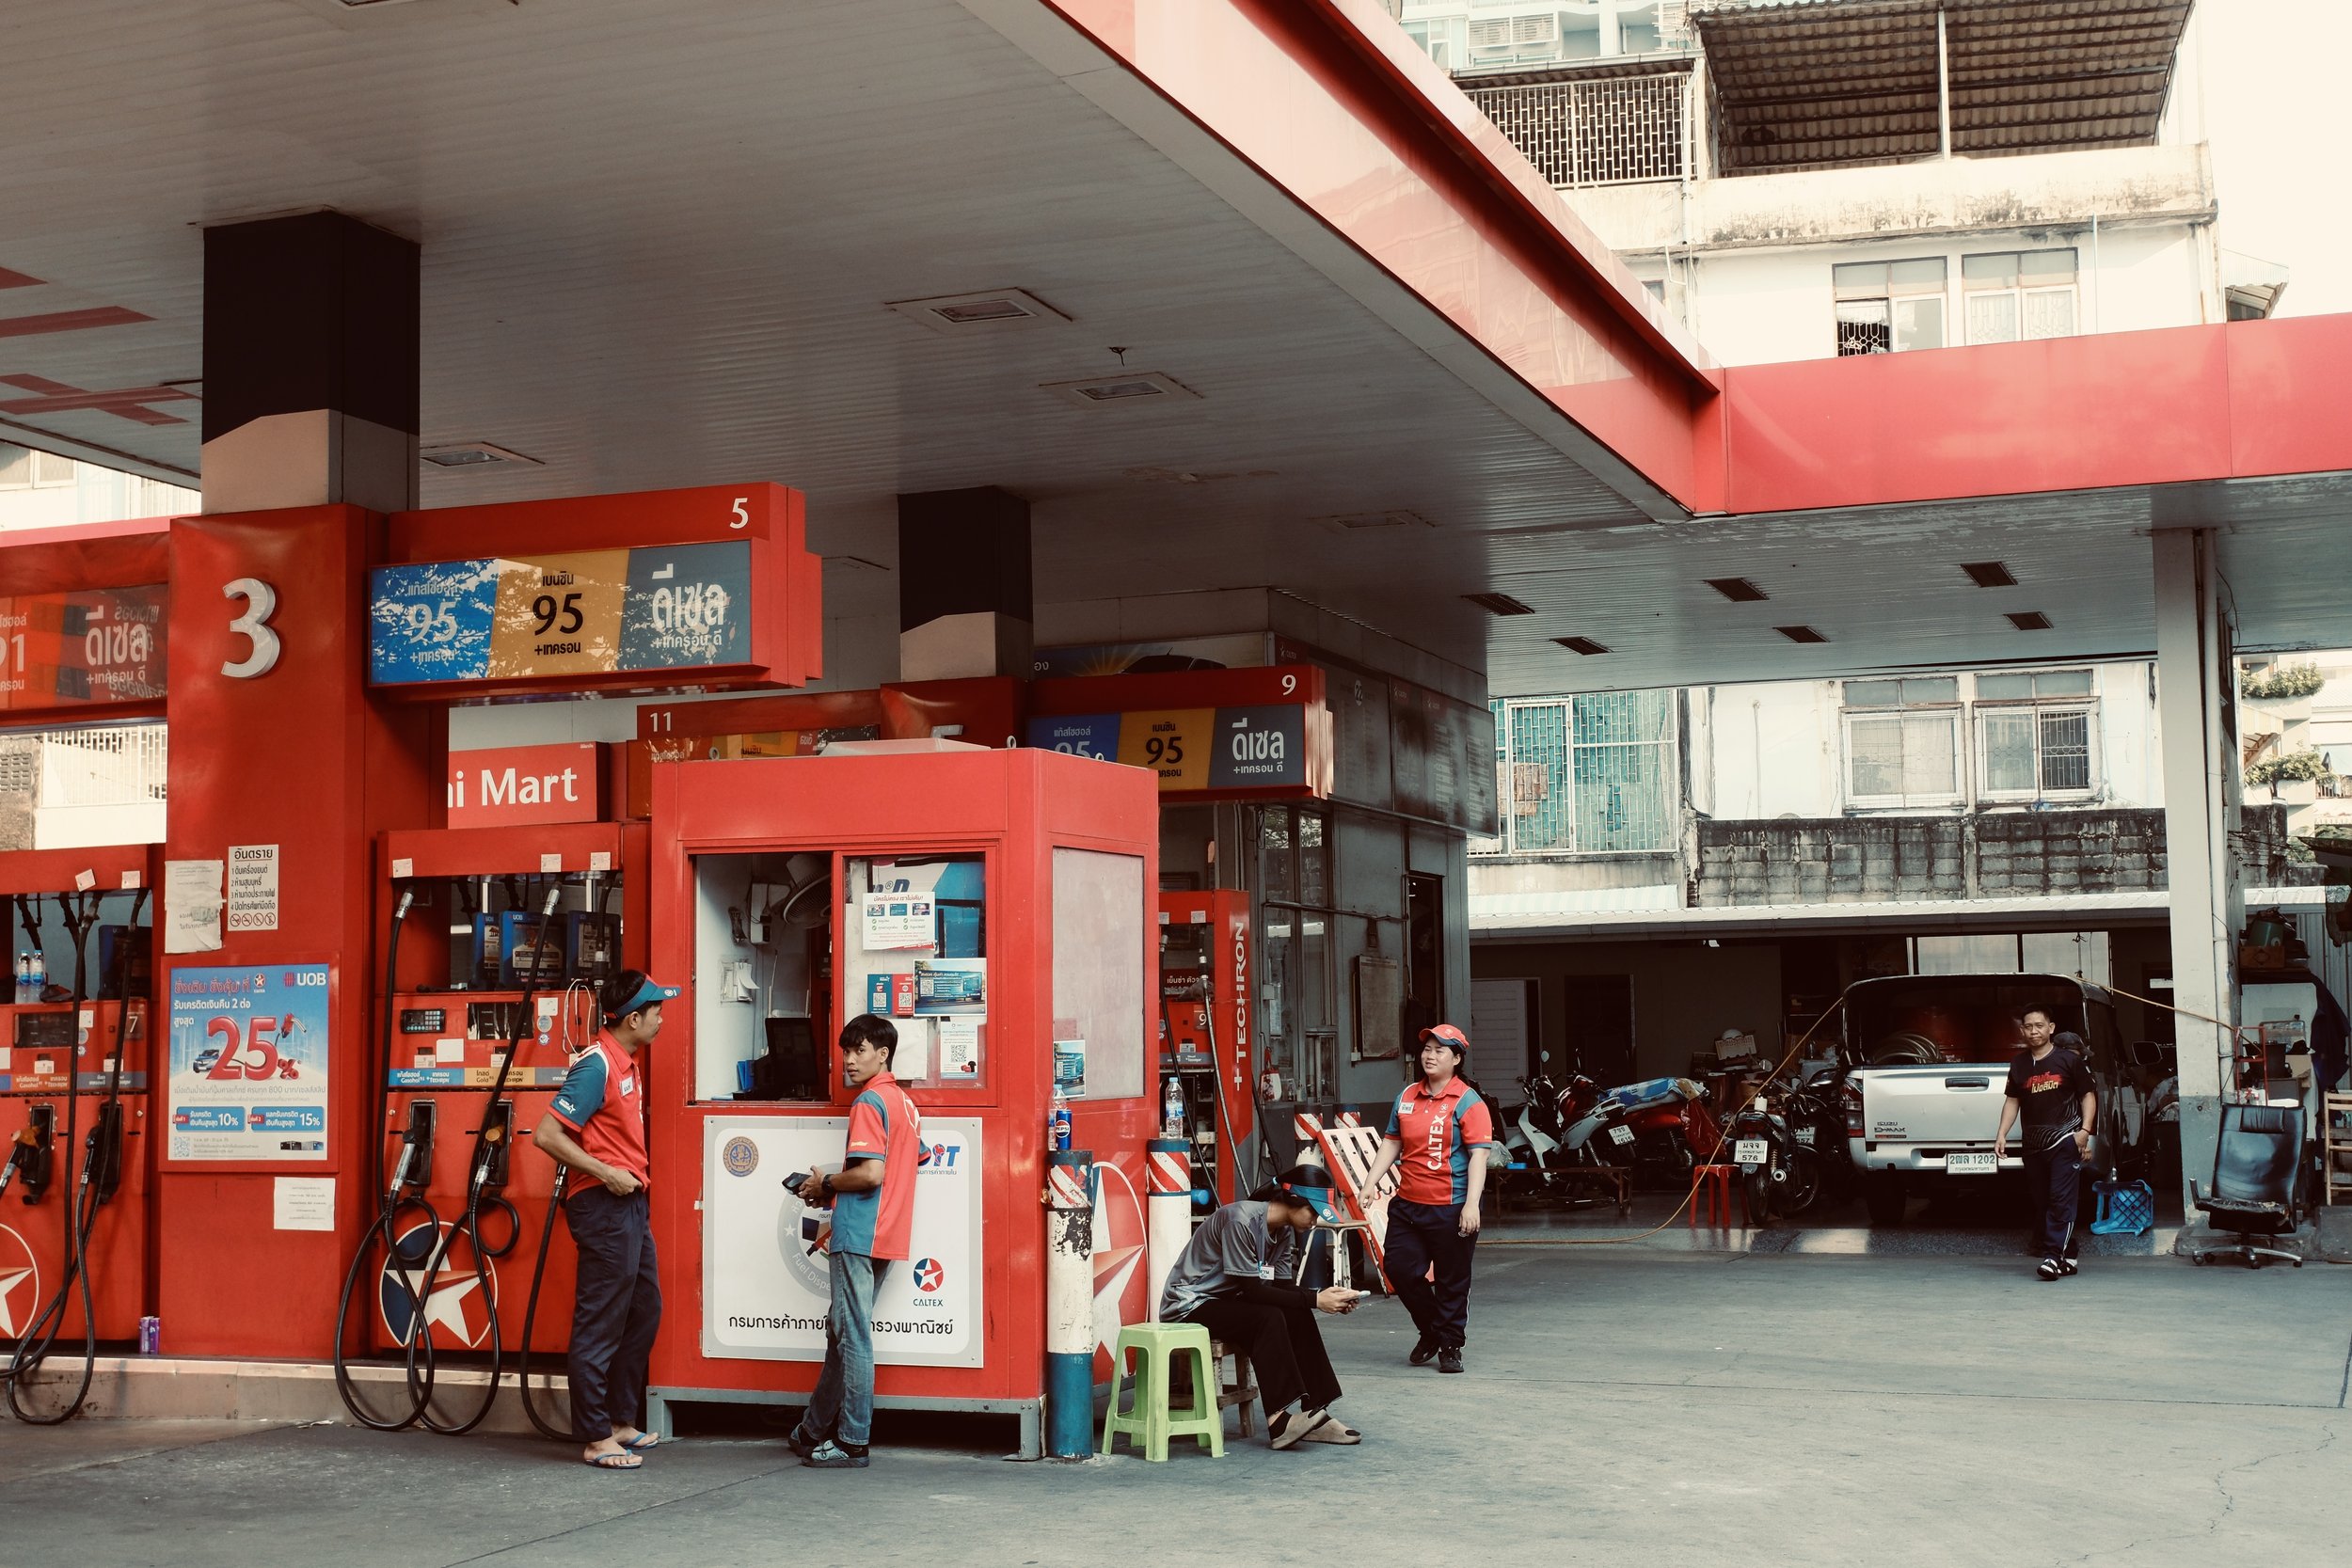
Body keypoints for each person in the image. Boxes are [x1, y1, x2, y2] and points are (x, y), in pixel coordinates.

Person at [532, 968, 675, 1470]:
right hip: (604, 1203)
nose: (662, 1018)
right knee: (600, 1320)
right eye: (657, 1011)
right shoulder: (596, 1066)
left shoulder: (626, 1063)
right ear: (633, 1018)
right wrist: (606, 1172)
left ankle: (618, 1420)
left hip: (631, 1202)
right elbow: (547, 1134)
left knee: (643, 1309)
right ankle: (595, 1437)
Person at [788, 1014, 921, 1470]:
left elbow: (870, 1173)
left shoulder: (868, 1102)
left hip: (859, 1231)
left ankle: (851, 1441)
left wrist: (825, 1184)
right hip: (888, 1232)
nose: (849, 1060)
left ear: (882, 1054)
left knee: (853, 1336)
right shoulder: (904, 1102)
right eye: (846, 1051)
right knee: (840, 1331)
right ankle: (812, 1429)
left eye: (859, 1050)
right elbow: (912, 1158)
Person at [1159, 1164, 1364, 1449]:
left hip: (1228, 1301)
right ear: (1293, 1201)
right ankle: (1279, 1421)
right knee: (1266, 1317)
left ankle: (1316, 1411)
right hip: (1190, 1304)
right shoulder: (1239, 1220)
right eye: (1313, 1212)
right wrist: (1316, 1299)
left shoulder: (1282, 1232)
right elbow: (1252, 1290)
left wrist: (1327, 1297)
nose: (1315, 1221)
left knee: (1296, 1311)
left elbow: (1281, 1289)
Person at [1360, 1022, 1494, 1373]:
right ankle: (1432, 1330)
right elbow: (1392, 1141)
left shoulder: (1468, 1101)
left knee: (1452, 1279)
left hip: (1451, 1206)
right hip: (1408, 1205)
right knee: (1399, 1269)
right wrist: (1370, 1182)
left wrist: (1471, 1205)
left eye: (1440, 1050)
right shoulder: (1406, 1097)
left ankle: (1450, 1345)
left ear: (1457, 1058)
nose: (1430, 1056)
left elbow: (1479, 1155)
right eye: (1427, 1049)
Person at [1994, 1006, 2097, 1281]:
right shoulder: (2018, 1064)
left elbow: (2088, 1095)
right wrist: (2002, 1133)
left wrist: (2084, 1131)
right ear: (2022, 1030)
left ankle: (2052, 1256)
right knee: (2043, 1202)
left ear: (2051, 1028)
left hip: (2065, 1140)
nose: (2034, 1031)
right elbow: (2012, 1100)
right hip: (2033, 1145)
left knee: (2060, 1199)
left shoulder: (2068, 1060)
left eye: (2039, 1025)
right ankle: (2069, 1253)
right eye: (2028, 1026)